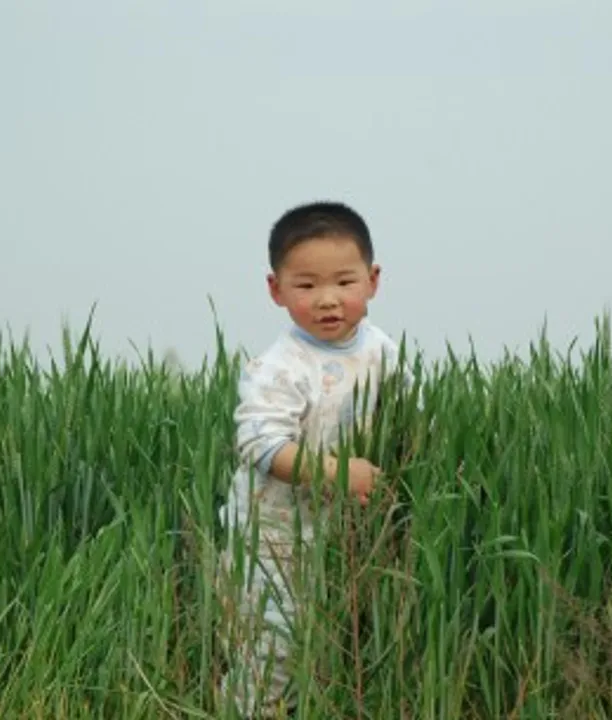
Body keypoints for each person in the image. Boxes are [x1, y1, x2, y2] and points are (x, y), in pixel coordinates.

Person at [216, 200, 405, 718]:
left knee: (332, 644)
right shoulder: (279, 367)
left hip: (338, 538)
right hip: (270, 541)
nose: (327, 299)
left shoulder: (383, 352)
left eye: (344, 282)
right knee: (275, 650)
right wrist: (340, 475)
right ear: (276, 290)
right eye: (306, 285)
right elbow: (260, 444)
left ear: (373, 280)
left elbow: (410, 420)